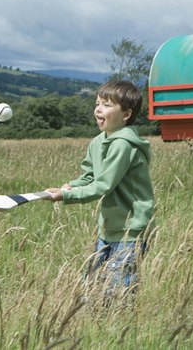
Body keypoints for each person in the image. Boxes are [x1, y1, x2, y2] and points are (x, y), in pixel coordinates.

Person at [45, 80, 154, 295]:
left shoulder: (123, 146)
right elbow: (89, 176)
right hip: (108, 229)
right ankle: (92, 323)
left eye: (106, 104)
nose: (98, 109)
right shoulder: (97, 142)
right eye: (97, 103)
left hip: (130, 232)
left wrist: (67, 196)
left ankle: (119, 324)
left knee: (116, 292)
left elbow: (103, 185)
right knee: (92, 285)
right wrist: (70, 186)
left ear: (125, 114)